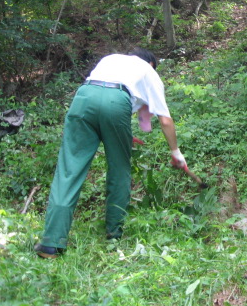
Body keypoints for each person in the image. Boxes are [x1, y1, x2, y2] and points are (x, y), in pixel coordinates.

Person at [34, 47, 187, 258]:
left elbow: (109, 103)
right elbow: (165, 120)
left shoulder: (111, 59)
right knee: (119, 169)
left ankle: (51, 243)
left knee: (69, 169)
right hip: (116, 103)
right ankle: (113, 235)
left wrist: (122, 131)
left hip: (84, 97)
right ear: (151, 64)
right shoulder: (150, 73)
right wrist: (176, 153)